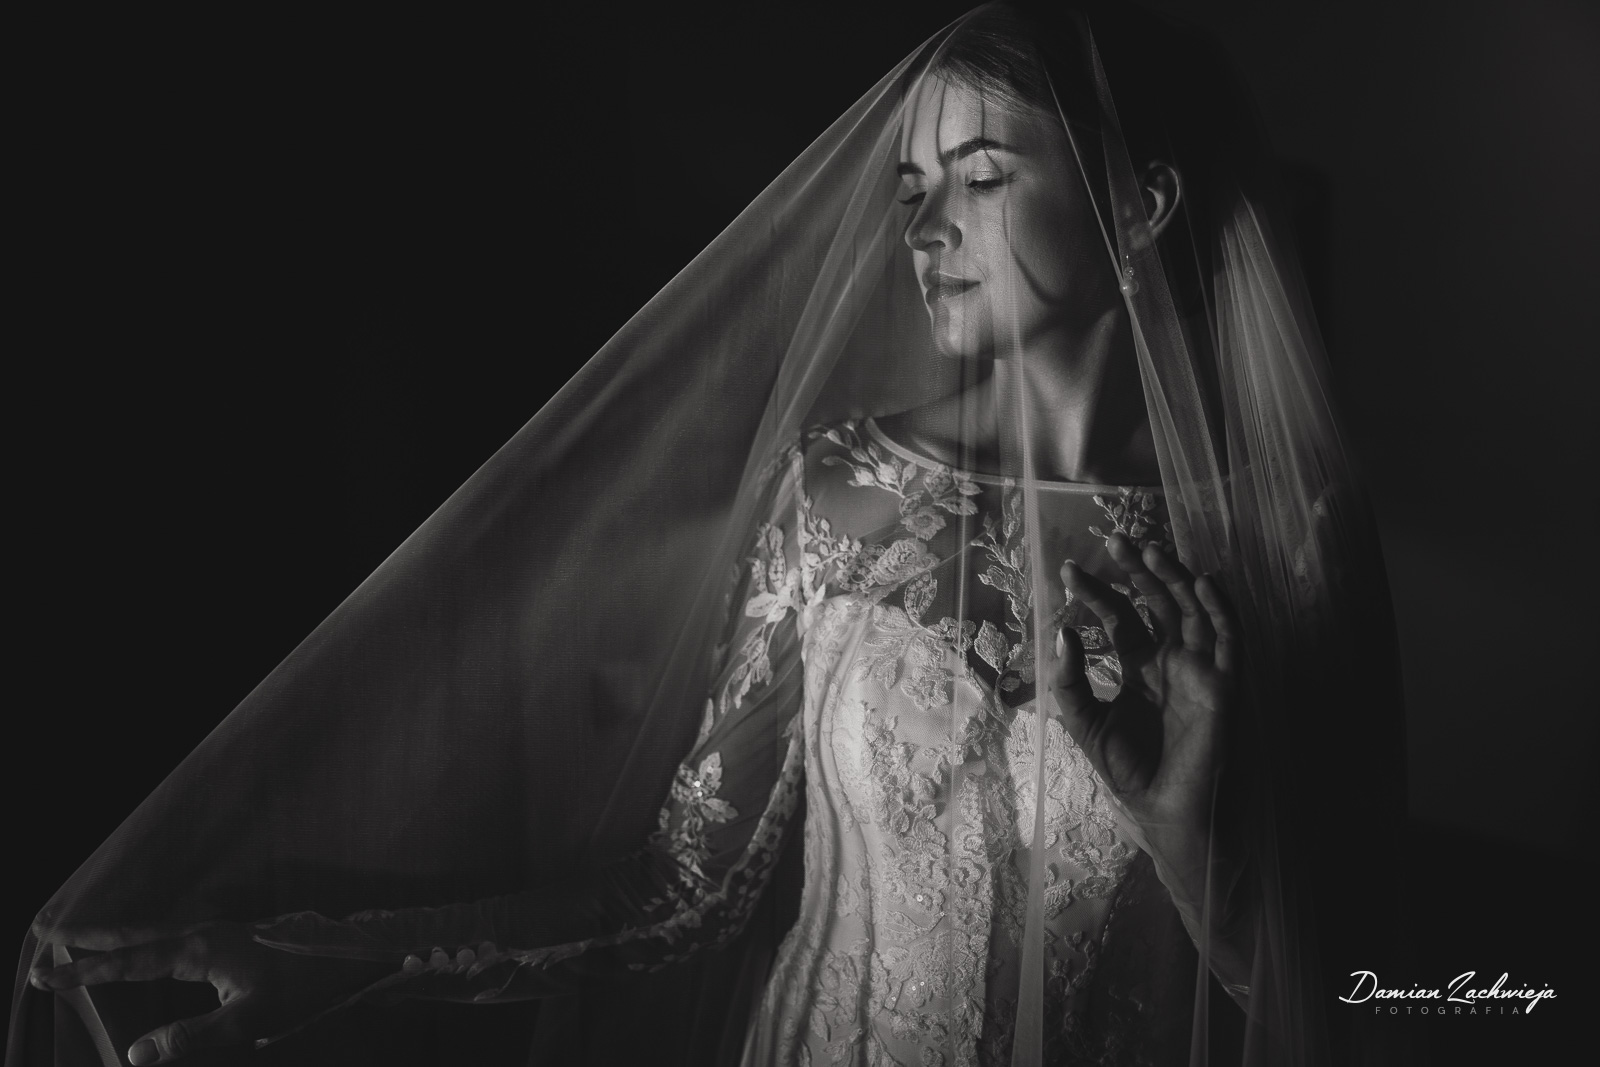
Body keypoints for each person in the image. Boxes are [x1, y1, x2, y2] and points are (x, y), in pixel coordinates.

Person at [13, 3, 1405, 1065]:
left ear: (1140, 203)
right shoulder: (846, 490)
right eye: (910, 188)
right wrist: (339, 961)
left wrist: (1201, 860)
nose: (925, 227)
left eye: (980, 176)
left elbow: (1376, 996)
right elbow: (686, 890)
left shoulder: (1276, 548)